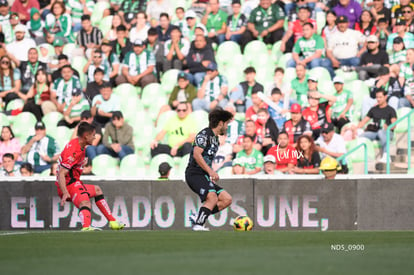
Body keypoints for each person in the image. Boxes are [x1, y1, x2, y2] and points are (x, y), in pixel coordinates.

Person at [56, 122, 125, 231]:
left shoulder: (79, 145)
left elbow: (71, 166)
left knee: (97, 190)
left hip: (73, 182)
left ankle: (112, 222)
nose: (95, 137)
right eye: (93, 134)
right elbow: (61, 173)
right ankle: (86, 227)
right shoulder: (73, 151)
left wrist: (80, 164)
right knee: (85, 201)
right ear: (86, 136)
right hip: (68, 185)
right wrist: (64, 192)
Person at [186, 108, 233, 231]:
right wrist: (211, 171)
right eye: (227, 123)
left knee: (226, 199)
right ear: (221, 123)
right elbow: (197, 154)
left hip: (204, 175)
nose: (227, 127)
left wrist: (209, 173)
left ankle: (198, 217)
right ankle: (198, 225)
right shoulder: (204, 134)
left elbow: (207, 158)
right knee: (212, 197)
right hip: (194, 173)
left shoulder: (215, 139)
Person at [357, 88, 397, 162]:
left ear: (385, 97)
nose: (378, 99)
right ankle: (363, 156)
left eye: (380, 97)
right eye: (377, 97)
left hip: (387, 132)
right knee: (362, 135)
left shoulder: (391, 110)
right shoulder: (373, 109)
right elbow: (363, 121)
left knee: (381, 132)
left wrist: (387, 127)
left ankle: (386, 155)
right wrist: (355, 128)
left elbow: (394, 125)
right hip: (375, 132)